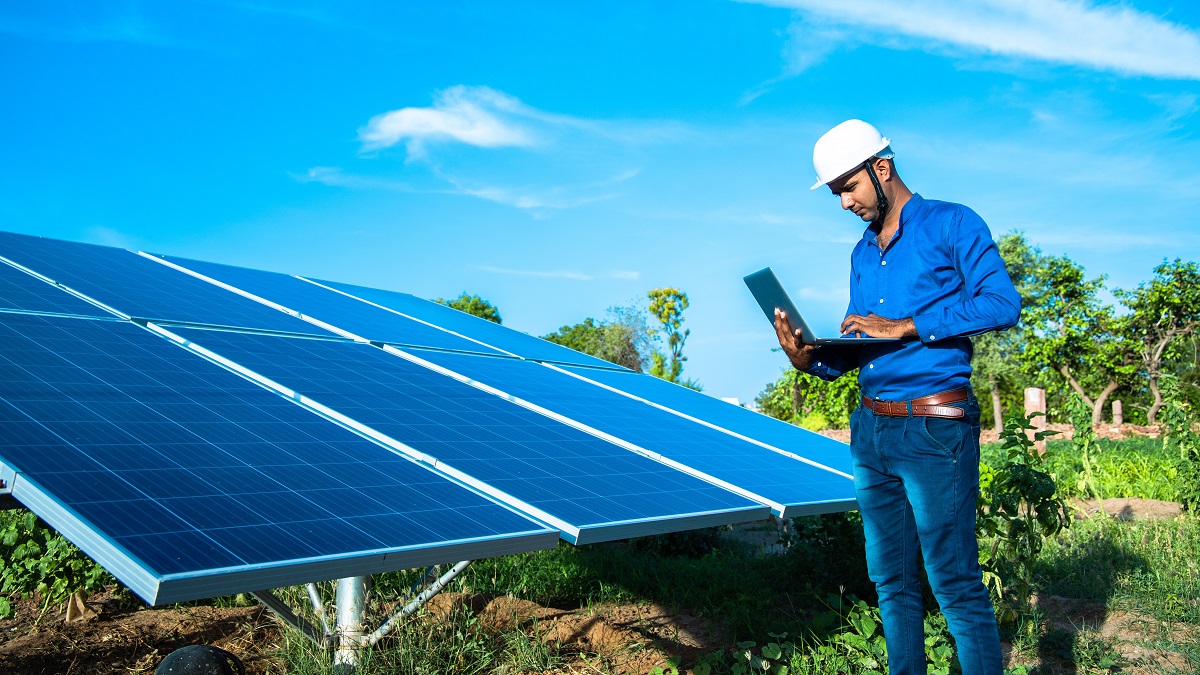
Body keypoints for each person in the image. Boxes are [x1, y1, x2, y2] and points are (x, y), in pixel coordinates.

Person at [773, 119, 1020, 675]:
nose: (842, 203)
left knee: (954, 581)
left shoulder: (953, 223)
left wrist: (906, 326)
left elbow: (1001, 304)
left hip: (935, 427)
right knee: (892, 581)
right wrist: (810, 358)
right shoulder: (862, 252)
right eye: (834, 193)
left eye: (847, 188)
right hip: (872, 432)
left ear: (880, 168)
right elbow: (867, 344)